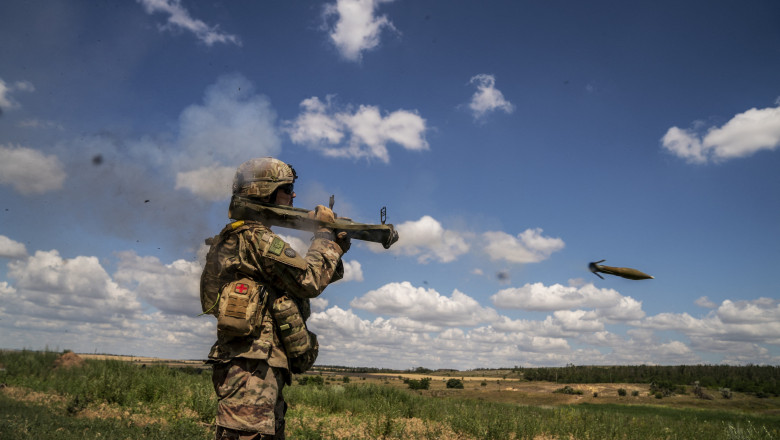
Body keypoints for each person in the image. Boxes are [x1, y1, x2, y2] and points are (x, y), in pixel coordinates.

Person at [201, 157, 350, 440]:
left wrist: (333, 247)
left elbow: (296, 281)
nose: (293, 195)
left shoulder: (241, 237)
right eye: (287, 188)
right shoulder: (258, 238)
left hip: (254, 364)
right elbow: (309, 280)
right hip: (252, 369)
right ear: (263, 191)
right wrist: (324, 238)